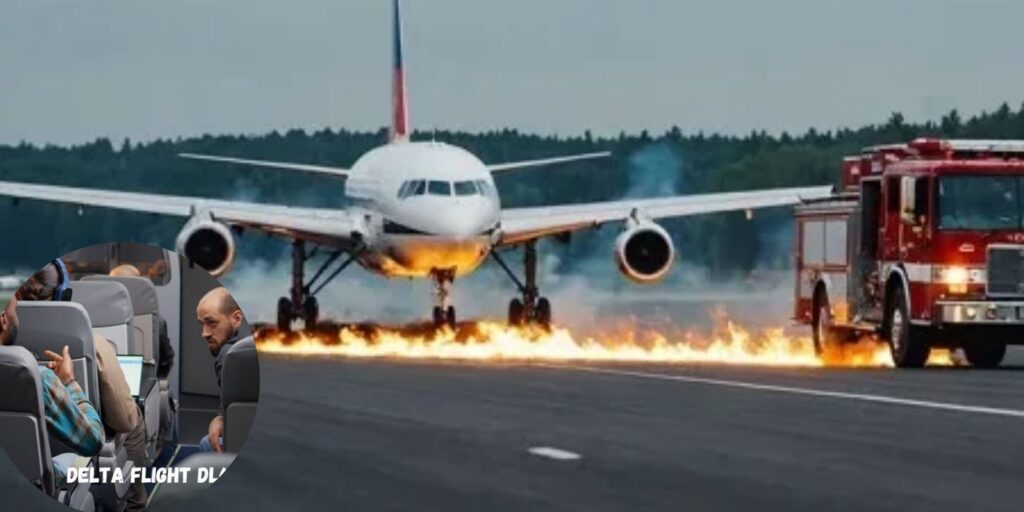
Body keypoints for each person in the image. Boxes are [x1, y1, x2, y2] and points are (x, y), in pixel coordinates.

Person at [19, 263, 149, 510]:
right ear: (62, 295)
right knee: (134, 417)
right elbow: (122, 422)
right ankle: (135, 502)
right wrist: (70, 382)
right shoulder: (94, 345)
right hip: (68, 464)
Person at [0, 296, 104, 475]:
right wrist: (69, 382)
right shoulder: (36, 378)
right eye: (14, 312)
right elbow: (93, 442)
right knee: (73, 460)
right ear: (3, 320)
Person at [195, 287, 244, 453]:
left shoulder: (228, 357)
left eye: (212, 323)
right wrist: (221, 417)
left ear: (236, 318)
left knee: (206, 444)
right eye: (203, 324)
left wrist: (221, 418)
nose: (205, 333)